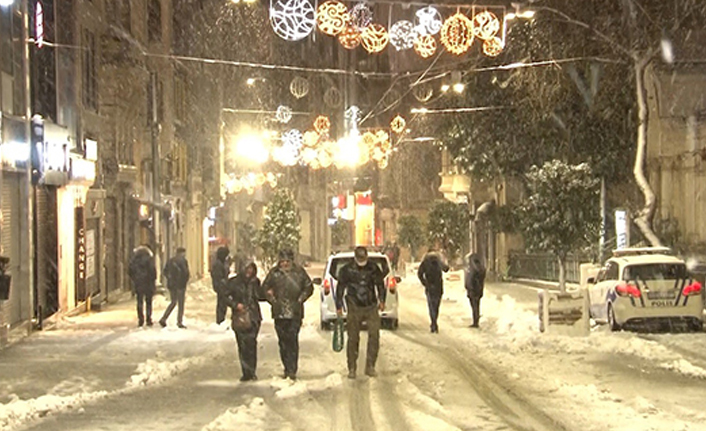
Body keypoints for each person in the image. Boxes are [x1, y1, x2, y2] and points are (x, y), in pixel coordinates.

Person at [262, 249, 314, 380]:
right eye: (282, 261)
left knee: (292, 341)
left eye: (287, 261)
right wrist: (272, 299)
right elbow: (264, 288)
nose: (285, 264)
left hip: (295, 312)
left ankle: (292, 369)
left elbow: (309, 287)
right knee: (283, 342)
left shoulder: (299, 272)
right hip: (279, 313)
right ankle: (286, 366)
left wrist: (300, 299)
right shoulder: (274, 273)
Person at [335, 246, 386, 379]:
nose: (362, 261)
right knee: (353, 338)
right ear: (356, 258)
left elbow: (380, 284)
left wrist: (382, 300)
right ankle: (352, 367)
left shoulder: (373, 268)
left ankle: (370, 366)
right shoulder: (347, 270)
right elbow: (340, 287)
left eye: (364, 258)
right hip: (354, 306)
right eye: (360, 258)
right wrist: (339, 305)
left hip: (371, 305)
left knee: (374, 336)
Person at [224, 261, 262, 382]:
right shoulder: (234, 282)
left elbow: (260, 295)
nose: (249, 271)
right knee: (242, 344)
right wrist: (236, 305)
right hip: (240, 317)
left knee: (251, 343)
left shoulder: (255, 282)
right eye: (247, 268)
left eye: (251, 268)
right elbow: (225, 297)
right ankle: (245, 371)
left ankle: (252, 371)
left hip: (254, 316)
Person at [417, 248, 450, 333]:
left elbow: (419, 273)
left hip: (429, 286)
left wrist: (424, 282)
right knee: (436, 306)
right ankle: (434, 322)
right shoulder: (439, 259)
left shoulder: (426, 260)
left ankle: (433, 323)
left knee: (431, 305)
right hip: (438, 286)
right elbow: (446, 269)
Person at [159, 247, 190, 329]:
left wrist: (170, 278)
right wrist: (184, 282)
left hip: (172, 285)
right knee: (181, 304)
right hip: (180, 285)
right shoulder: (183, 261)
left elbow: (165, 271)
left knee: (173, 302)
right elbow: (186, 273)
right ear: (182, 253)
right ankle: (179, 321)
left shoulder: (170, 261)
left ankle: (164, 318)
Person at [128, 245, 157, 327]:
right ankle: (148, 319)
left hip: (139, 284)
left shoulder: (134, 260)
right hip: (148, 283)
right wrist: (152, 281)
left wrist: (135, 279)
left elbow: (130, 271)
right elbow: (153, 272)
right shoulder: (150, 260)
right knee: (148, 302)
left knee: (139, 301)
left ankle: (141, 319)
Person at [465, 253, 486, 328]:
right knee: (476, 306)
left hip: (473, 290)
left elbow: (470, 280)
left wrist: (469, 288)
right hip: (478, 290)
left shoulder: (473, 269)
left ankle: (475, 322)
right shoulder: (480, 268)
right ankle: (476, 320)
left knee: (474, 306)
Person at [211, 246, 230, 325]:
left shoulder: (222, 262)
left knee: (223, 303)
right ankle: (220, 320)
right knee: (221, 303)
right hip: (220, 286)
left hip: (222, 285)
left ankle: (221, 319)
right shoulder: (218, 264)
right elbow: (217, 276)